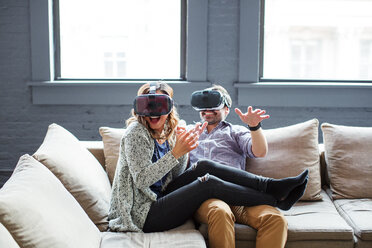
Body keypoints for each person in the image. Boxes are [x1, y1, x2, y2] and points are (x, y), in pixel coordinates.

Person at [108, 82, 308, 234]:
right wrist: (176, 153)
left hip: (159, 199)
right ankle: (274, 197)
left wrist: (184, 148)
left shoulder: (166, 132)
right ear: (139, 107)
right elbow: (142, 180)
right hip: (141, 214)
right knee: (207, 184)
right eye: (148, 104)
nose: (154, 111)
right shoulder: (136, 132)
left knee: (203, 166)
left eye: (160, 104)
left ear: (169, 108)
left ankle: (271, 186)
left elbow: (173, 176)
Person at [188, 84, 304, 248]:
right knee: (220, 212)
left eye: (215, 105)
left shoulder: (235, 131)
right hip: (208, 197)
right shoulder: (188, 132)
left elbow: (260, 151)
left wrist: (254, 126)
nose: (209, 109)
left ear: (226, 109)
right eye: (205, 105)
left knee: (275, 219)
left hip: (240, 196)